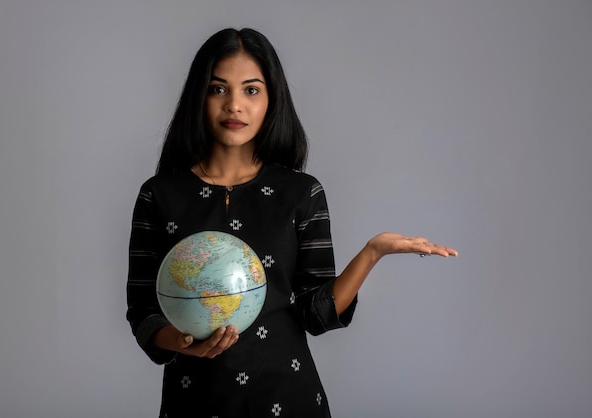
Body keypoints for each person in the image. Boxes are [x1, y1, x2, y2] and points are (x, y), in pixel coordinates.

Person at [126, 27, 458, 418]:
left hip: (288, 401)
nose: (234, 104)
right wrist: (184, 343)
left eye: (251, 90)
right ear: (198, 96)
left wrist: (373, 252)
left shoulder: (301, 193)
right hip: (193, 403)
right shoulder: (159, 194)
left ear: (272, 100)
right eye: (218, 89)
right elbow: (144, 311)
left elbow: (315, 315)